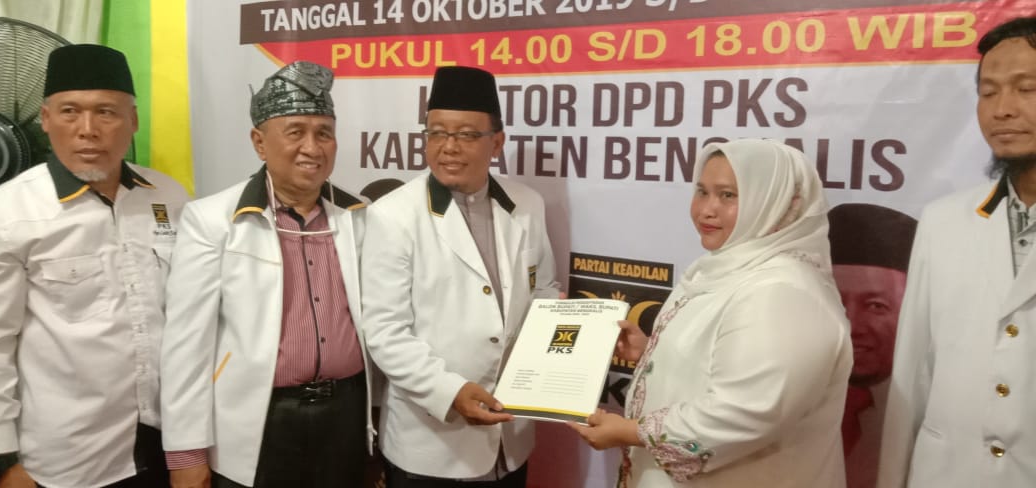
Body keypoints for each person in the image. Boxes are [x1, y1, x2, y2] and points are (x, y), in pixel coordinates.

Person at [568, 138, 852, 488]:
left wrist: (631, 432)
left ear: (774, 202)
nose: (706, 209)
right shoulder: (729, 267)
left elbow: (748, 410)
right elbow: (730, 364)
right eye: (702, 191)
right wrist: (654, 353)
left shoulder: (784, 292)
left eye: (728, 195)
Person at [159, 61, 375, 488]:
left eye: (324, 133)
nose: (312, 148)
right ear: (259, 142)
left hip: (346, 420)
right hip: (259, 421)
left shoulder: (359, 217)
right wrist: (186, 453)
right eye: (295, 132)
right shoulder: (213, 220)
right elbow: (186, 345)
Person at [0, 44, 189, 487]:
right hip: (66, 460)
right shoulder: (10, 212)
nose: (88, 130)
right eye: (70, 111)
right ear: (45, 119)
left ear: (133, 120)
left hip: (166, 442)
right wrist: (2, 459)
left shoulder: (169, 197)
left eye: (106, 112)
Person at [360, 65, 561, 487]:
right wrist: (449, 392)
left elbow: (544, 288)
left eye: (467, 135)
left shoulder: (527, 204)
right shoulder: (393, 215)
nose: (448, 147)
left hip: (512, 437)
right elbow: (385, 331)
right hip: (433, 444)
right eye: (436, 133)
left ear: (496, 142)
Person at [877, 17, 1036, 487]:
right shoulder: (943, 220)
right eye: (988, 92)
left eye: (1027, 89)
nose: (1002, 110)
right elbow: (913, 374)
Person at [827, 203, 917, 488]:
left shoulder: (933, 407)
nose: (851, 324)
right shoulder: (784, 395)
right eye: (836, 301)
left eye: (876, 306)